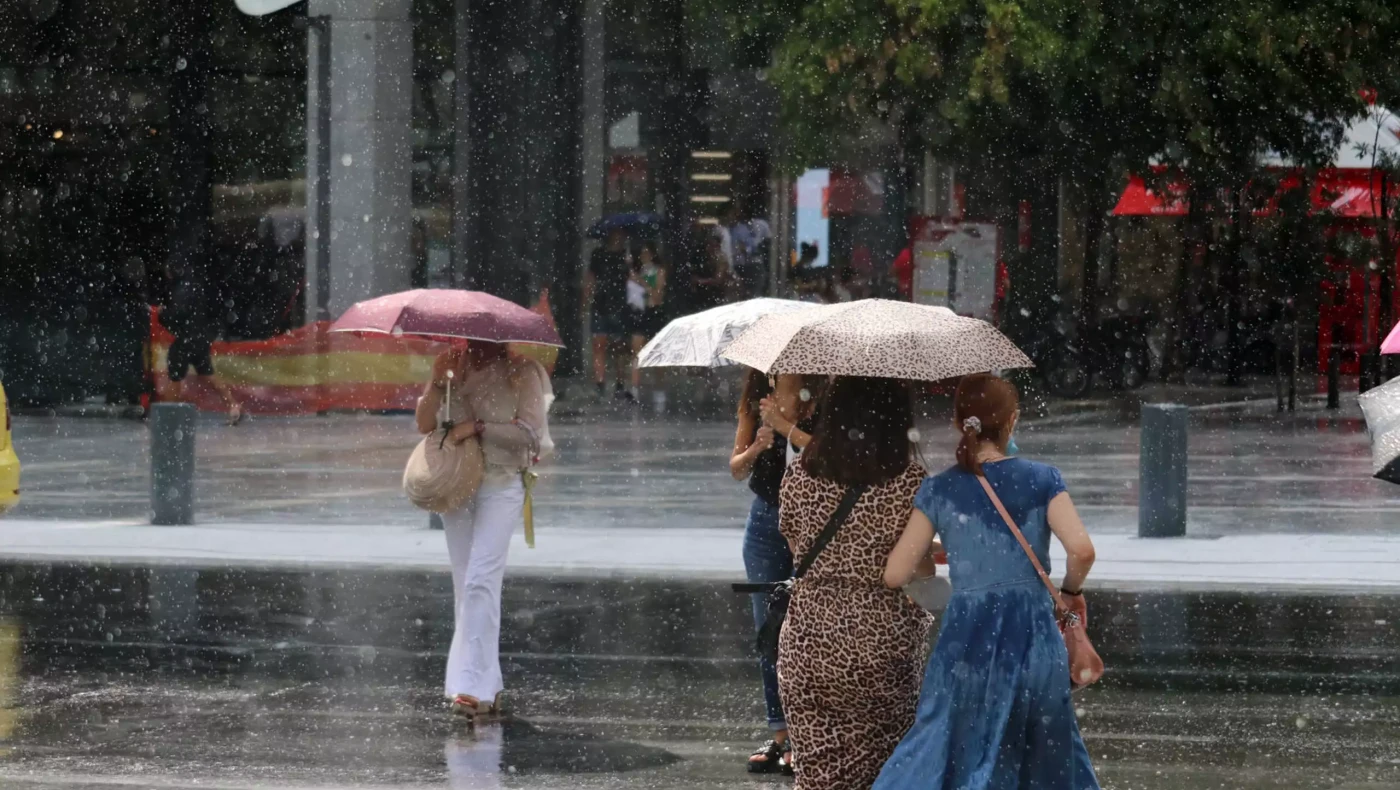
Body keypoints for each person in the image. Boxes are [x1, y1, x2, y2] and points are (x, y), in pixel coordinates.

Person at [875, 373, 1099, 790]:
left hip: (967, 639)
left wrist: (953, 550)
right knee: (1042, 749)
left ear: (961, 424)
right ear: (1011, 420)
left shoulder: (939, 489)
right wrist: (1070, 591)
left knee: (947, 742)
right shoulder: (1043, 478)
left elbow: (895, 574)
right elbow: (1082, 551)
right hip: (1032, 636)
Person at [777, 376, 933, 789]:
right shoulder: (910, 482)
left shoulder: (800, 476)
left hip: (807, 641)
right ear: (897, 418)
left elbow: (796, 549)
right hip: (881, 644)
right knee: (883, 772)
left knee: (816, 774)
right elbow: (917, 571)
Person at [415, 340, 553, 719]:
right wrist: (435, 383)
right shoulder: (450, 368)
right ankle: (483, 685)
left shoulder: (523, 372)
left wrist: (475, 428)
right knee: (467, 585)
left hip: (502, 482)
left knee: (481, 580)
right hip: (457, 484)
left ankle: (470, 688)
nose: (476, 345)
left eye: (486, 339)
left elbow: (529, 435)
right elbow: (425, 424)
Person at [729, 370, 822, 776]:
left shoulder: (820, 396)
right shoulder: (756, 395)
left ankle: (810, 735)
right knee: (770, 632)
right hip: (766, 521)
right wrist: (757, 448)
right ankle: (781, 734)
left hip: (814, 524)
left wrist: (785, 427)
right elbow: (735, 467)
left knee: (810, 631)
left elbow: (826, 454)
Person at [162, 272, 243, 425]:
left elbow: (178, 314)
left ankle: (168, 416)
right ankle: (233, 405)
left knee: (175, 377)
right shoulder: (201, 287)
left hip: (186, 339)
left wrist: (163, 314)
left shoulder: (181, 290)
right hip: (200, 338)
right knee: (207, 374)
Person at [586, 229, 632, 400]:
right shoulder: (598, 254)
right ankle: (600, 383)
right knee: (599, 345)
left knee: (620, 347)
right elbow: (591, 278)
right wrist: (586, 300)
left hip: (621, 305)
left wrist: (630, 264)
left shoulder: (627, 255)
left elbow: (633, 278)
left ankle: (620, 384)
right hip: (601, 303)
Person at [626, 242, 667, 401]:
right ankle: (635, 388)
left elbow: (657, 295)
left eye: (647, 253)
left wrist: (641, 282)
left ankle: (659, 387)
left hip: (654, 313)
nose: (644, 257)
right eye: (642, 254)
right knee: (636, 352)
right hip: (639, 312)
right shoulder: (637, 272)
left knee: (657, 352)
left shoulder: (659, 271)